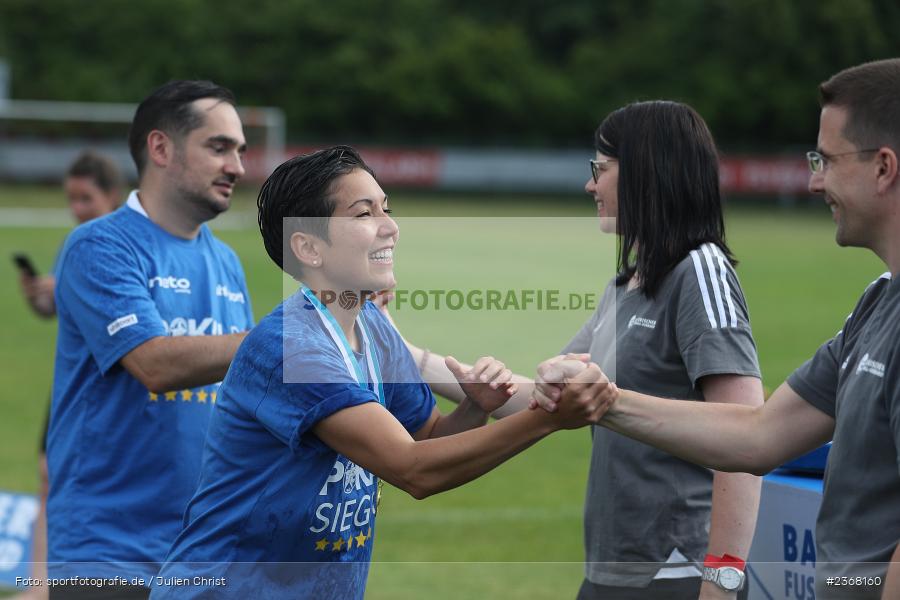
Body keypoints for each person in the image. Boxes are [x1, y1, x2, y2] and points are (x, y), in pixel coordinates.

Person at [149, 146, 613, 600]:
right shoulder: (291, 348)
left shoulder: (371, 325)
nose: (390, 227)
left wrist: (475, 405)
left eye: (386, 209)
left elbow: (428, 435)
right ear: (309, 247)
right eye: (363, 213)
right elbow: (413, 470)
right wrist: (548, 418)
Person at [541, 59, 900, 600]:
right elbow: (756, 436)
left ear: (884, 168)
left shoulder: (699, 268)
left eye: (825, 160)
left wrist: (722, 571)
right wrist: (601, 401)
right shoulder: (877, 303)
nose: (812, 180)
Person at [399, 101, 764, 599]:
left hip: (679, 574)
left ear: (645, 172)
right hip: (613, 573)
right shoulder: (628, 283)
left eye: (601, 168)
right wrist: (403, 355)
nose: (590, 185)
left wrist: (721, 578)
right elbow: (536, 398)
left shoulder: (700, 270)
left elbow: (746, 439)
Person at [46, 80, 254, 599]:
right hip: (110, 558)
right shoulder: (100, 246)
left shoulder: (226, 262)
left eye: (240, 150)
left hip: (204, 557)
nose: (238, 166)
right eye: (219, 146)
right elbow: (154, 365)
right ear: (161, 148)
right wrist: (288, 334)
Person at [13, 151, 122, 600]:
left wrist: (69, 288)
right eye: (71, 199)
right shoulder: (77, 241)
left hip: (111, 384)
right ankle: (40, 583)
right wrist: (38, 296)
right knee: (47, 472)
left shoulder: (122, 244)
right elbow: (52, 310)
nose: (77, 208)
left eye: (86, 198)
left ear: (112, 195)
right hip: (73, 378)